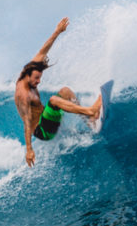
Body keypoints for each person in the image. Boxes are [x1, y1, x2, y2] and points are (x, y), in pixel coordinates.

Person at [14, 17, 101, 167]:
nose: (39, 81)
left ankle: (89, 121)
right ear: (28, 76)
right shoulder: (23, 94)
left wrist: (57, 32)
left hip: (47, 120)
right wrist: (29, 149)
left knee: (65, 91)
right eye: (36, 79)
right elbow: (27, 123)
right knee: (54, 100)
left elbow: (42, 51)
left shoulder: (29, 71)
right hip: (42, 132)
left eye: (39, 78)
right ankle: (90, 111)